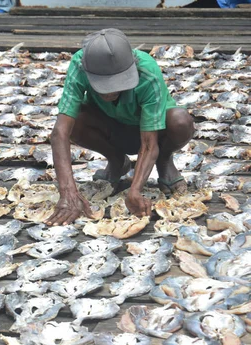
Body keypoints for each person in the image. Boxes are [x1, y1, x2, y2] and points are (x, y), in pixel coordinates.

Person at [45, 28, 194, 227]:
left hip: (153, 132)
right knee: (73, 120)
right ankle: (117, 160)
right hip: (109, 126)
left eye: (117, 83)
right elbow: (59, 133)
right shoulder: (79, 65)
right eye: (104, 85)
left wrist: (135, 190)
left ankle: (164, 161)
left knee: (181, 120)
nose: (110, 92)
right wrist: (68, 192)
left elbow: (149, 144)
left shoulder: (147, 70)